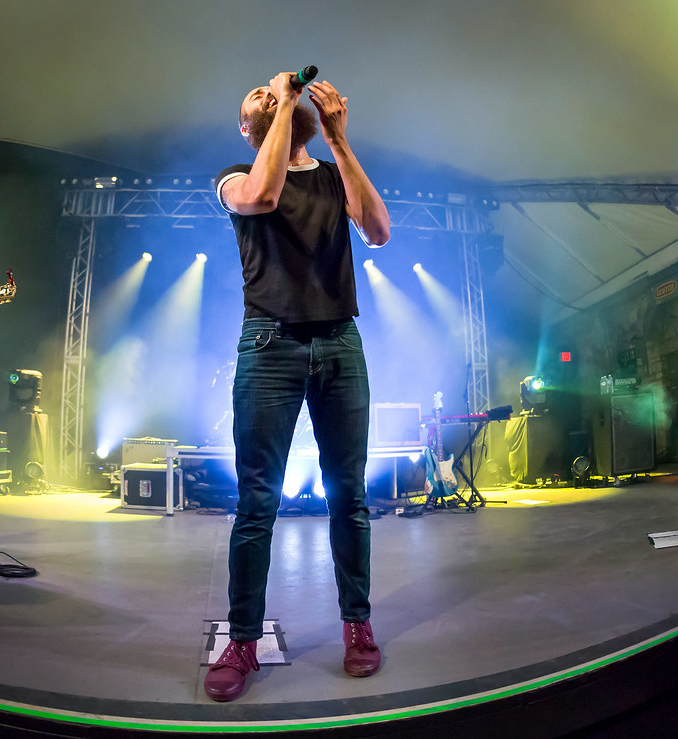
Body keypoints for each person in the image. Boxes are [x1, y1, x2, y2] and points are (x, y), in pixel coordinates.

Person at [205, 72, 390, 702]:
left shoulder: (334, 174)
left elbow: (378, 230)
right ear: (247, 126)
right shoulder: (234, 177)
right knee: (257, 502)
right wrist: (284, 102)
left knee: (350, 496)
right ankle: (242, 640)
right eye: (254, 96)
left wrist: (339, 139)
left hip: (339, 341)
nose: (266, 93)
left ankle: (358, 627)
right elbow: (261, 195)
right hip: (269, 344)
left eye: (271, 92)